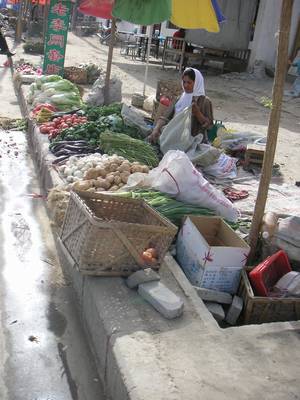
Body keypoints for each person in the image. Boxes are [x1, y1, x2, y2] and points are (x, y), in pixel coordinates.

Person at [147, 67, 213, 144]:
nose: (185, 85)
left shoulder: (204, 101)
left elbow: (209, 125)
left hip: (191, 140)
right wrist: (156, 129)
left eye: (189, 83)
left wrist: (198, 113)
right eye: (184, 82)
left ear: (197, 83)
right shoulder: (179, 98)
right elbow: (165, 117)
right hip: (174, 134)